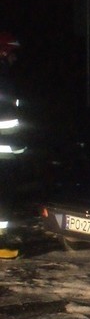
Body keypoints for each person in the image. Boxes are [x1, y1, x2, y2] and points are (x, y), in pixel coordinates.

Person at [0, 33, 23, 260]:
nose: (15, 58)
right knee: (3, 199)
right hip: (3, 153)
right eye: (13, 53)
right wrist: (18, 148)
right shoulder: (3, 77)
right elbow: (8, 120)